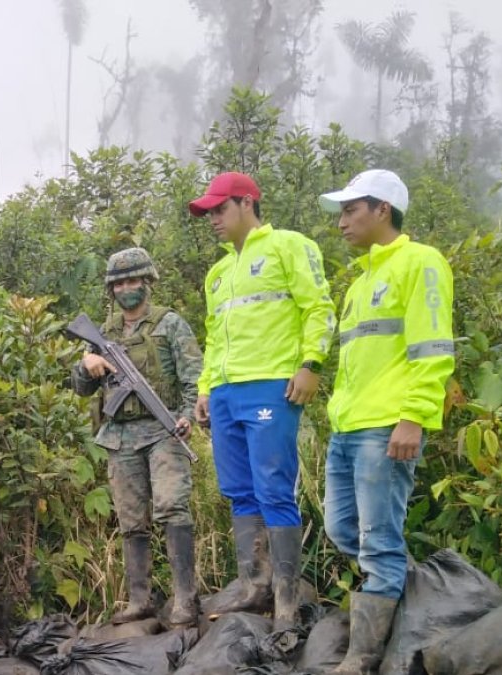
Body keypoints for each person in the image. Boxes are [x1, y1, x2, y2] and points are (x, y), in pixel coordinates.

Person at [318, 169, 455, 672]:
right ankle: (399, 592)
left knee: (377, 540)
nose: (341, 223)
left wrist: (413, 417)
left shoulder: (421, 263)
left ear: (383, 209)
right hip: (348, 427)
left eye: (351, 210)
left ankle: (363, 657)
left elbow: (434, 350)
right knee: (342, 528)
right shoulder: (361, 281)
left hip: (386, 426)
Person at [188, 171, 336, 629]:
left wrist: (311, 363)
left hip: (272, 385)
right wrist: (206, 388)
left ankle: (287, 600)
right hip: (228, 393)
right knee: (238, 490)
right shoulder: (218, 273)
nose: (212, 218)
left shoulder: (289, 246)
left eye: (219, 209)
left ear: (246, 203)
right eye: (208, 212)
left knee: (274, 487)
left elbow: (319, 307)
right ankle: (254, 585)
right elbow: (215, 338)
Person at [71, 247, 204, 627]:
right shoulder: (103, 332)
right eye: (120, 283)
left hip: (163, 431)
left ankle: (184, 598)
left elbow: (194, 374)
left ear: (148, 282)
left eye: (134, 280)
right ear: (111, 289)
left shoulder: (170, 323)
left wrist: (186, 414)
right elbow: (80, 388)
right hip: (119, 436)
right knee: (131, 520)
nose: (127, 288)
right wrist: (87, 364)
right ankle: (139, 598)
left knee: (172, 508)